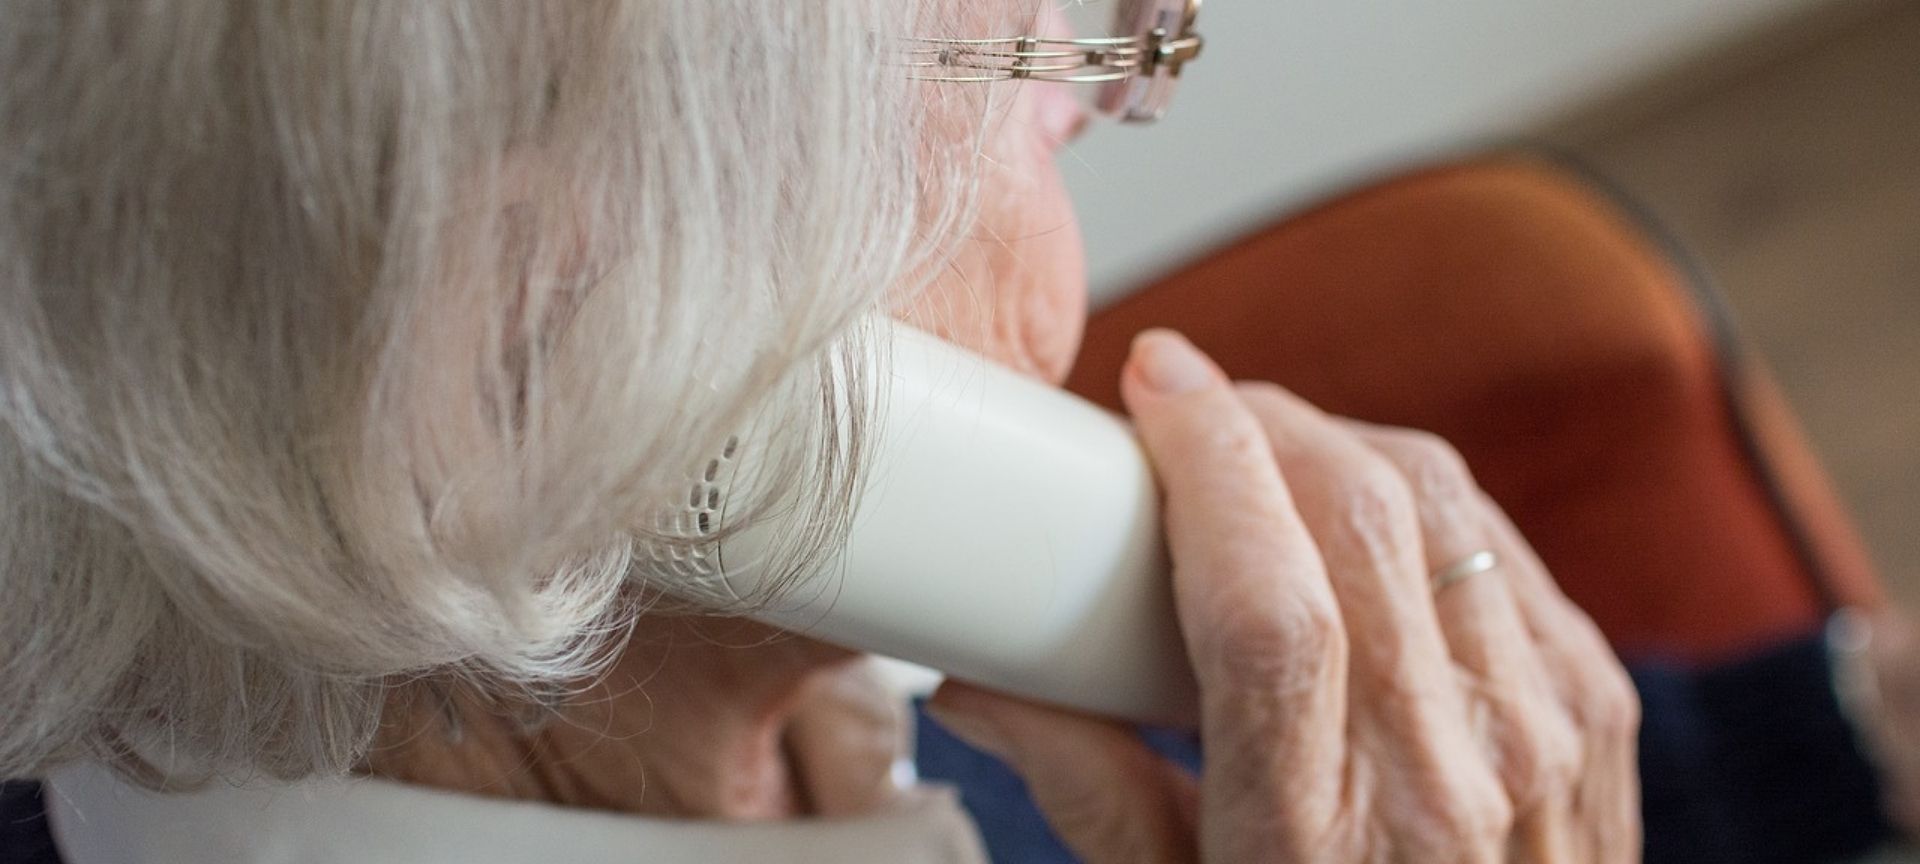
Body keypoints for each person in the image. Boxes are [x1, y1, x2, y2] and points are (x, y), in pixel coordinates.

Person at [0, 1, 1741, 861]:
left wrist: (1840, 716)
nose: (1115, 74)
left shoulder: (823, 660)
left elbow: (1373, 748)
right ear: (535, 359)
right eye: (1018, 38)